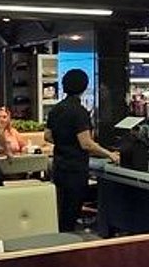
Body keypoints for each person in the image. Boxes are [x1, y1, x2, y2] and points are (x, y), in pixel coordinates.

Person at [46, 68, 116, 231]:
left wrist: (64, 142)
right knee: (72, 209)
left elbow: (47, 136)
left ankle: (61, 237)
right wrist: (110, 154)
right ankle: (69, 240)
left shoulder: (56, 109)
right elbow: (86, 143)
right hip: (75, 168)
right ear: (84, 87)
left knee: (61, 208)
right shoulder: (80, 112)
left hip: (59, 165)